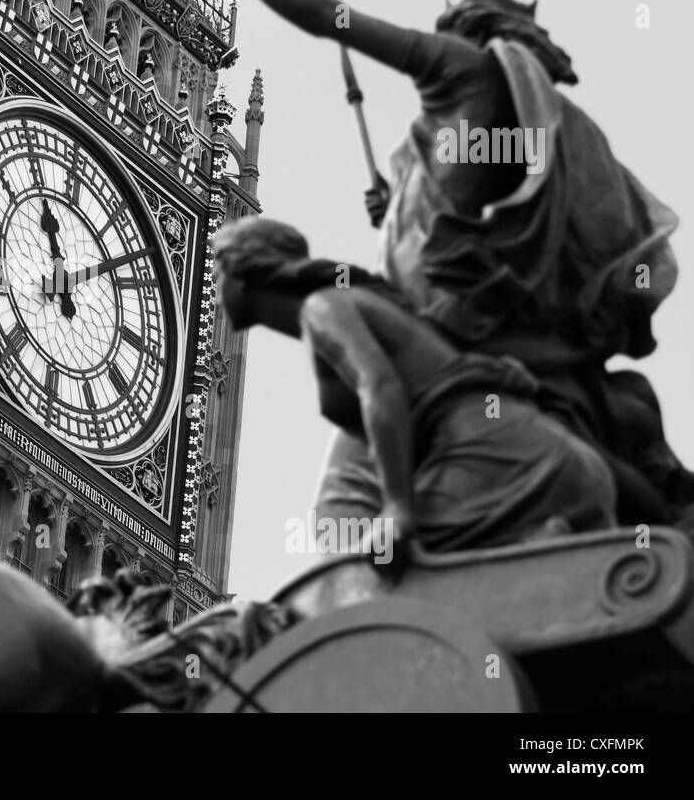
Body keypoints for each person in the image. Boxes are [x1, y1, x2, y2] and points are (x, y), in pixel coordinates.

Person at [183, 0, 687, 533]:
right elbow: (460, 206)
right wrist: (395, 206)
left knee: (341, 506)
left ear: (461, 35)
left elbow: (331, 18)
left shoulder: (457, 67)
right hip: (496, 325)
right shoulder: (528, 117)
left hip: (442, 327)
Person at [212, 216, 617, 555]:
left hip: (505, 460)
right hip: (543, 458)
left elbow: (380, 388)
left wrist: (397, 510)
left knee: (367, 571)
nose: (211, 286)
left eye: (216, 270)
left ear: (244, 273)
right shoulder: (342, 303)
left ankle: (536, 552)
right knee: (346, 550)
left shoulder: (323, 308)